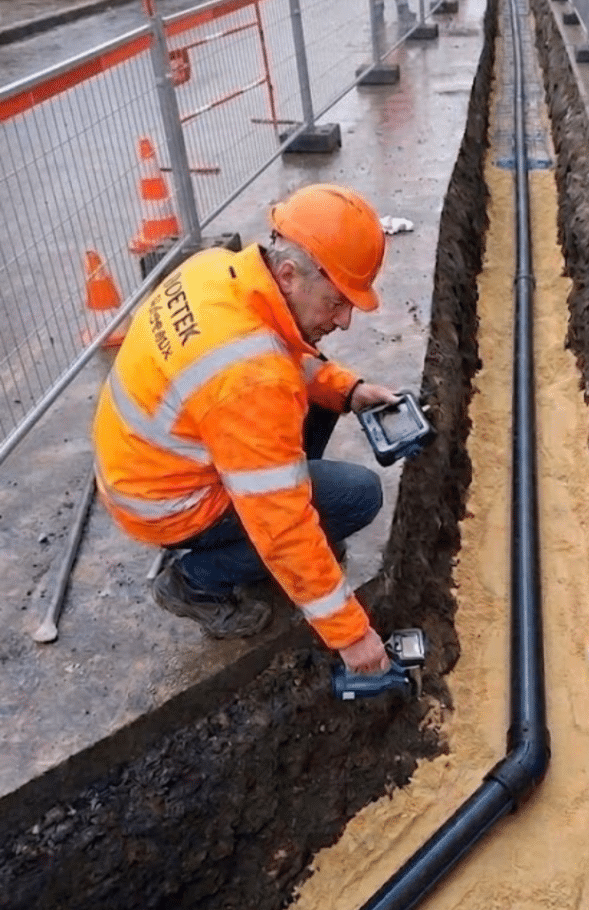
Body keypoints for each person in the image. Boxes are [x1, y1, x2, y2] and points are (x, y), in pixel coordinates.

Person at [93, 183, 398, 675]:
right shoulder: (249, 381)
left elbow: (274, 353)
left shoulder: (217, 269)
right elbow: (281, 524)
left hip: (145, 466)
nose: (343, 322)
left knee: (319, 406)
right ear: (289, 274)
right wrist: (352, 636)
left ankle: (257, 537)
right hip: (168, 505)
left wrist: (349, 389)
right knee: (358, 497)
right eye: (337, 303)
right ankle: (196, 580)